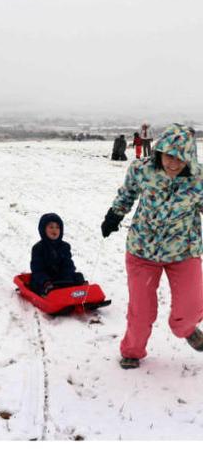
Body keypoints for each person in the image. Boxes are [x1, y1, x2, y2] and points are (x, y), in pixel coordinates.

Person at [101, 123, 203, 370]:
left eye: (181, 158)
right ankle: (132, 351)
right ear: (160, 151)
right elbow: (127, 194)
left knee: (191, 307)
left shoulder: (198, 179)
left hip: (184, 251)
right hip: (142, 251)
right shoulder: (142, 169)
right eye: (169, 156)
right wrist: (114, 215)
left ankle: (185, 327)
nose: (174, 163)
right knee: (142, 311)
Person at [29, 213, 85, 296]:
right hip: (46, 280)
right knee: (36, 283)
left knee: (78, 276)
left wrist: (67, 277)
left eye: (57, 227)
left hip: (61, 278)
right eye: (51, 227)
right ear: (43, 230)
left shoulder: (65, 246)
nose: (54, 230)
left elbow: (68, 264)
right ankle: (49, 293)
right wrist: (45, 281)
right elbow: (37, 269)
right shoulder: (38, 248)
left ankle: (81, 292)